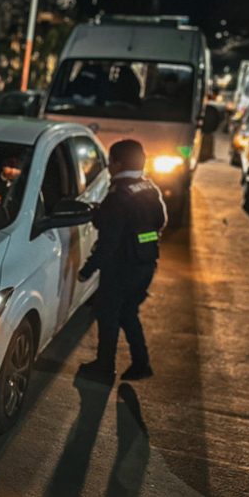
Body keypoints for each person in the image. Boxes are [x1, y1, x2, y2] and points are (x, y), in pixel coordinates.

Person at [77, 139, 167, 384]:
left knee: (107, 315)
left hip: (120, 267)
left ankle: (104, 367)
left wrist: (87, 270)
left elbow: (109, 243)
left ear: (115, 164)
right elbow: (159, 223)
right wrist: (138, 237)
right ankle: (141, 363)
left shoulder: (117, 196)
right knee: (128, 312)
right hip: (146, 262)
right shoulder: (149, 188)